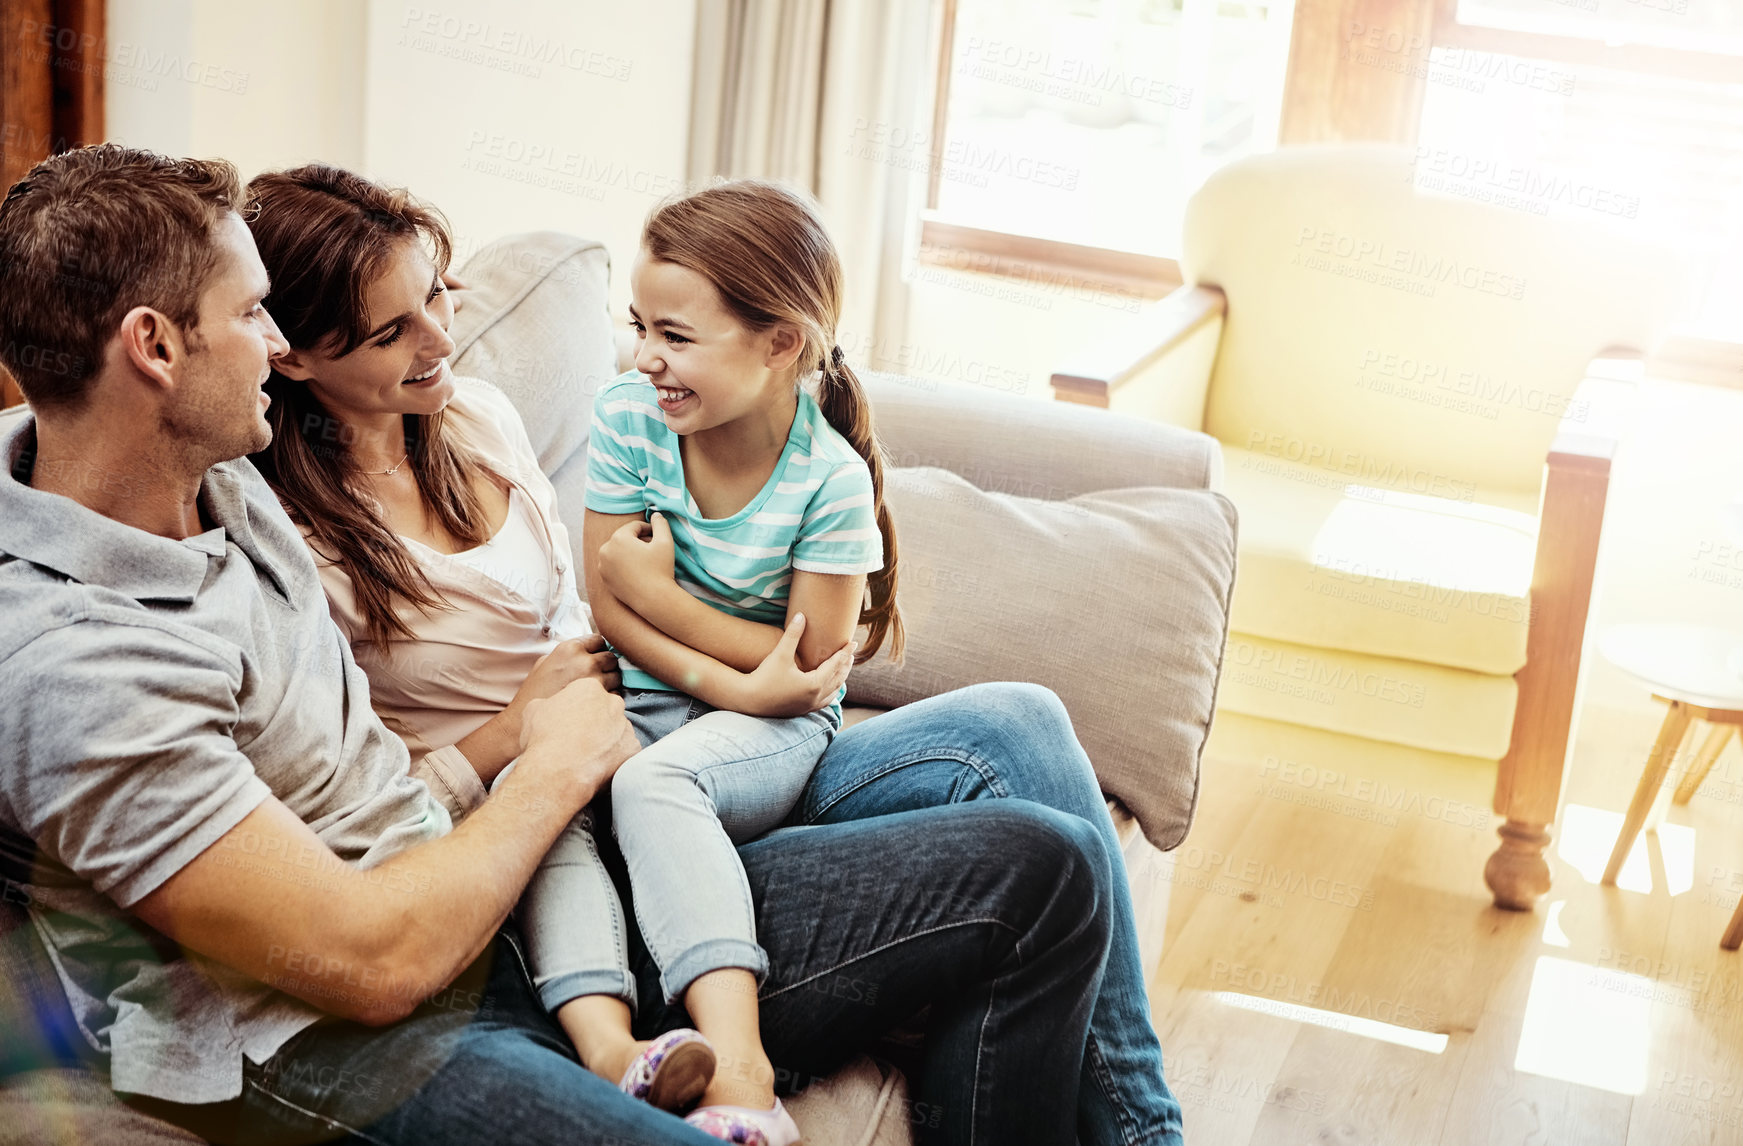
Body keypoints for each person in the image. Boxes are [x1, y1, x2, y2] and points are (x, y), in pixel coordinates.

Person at [0, 143, 1115, 1146]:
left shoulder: (207, 480)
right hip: (334, 1034)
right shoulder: (79, 669)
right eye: (253, 315)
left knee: (1045, 870)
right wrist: (555, 757)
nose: (280, 343)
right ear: (151, 349)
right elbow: (367, 962)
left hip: (505, 890)